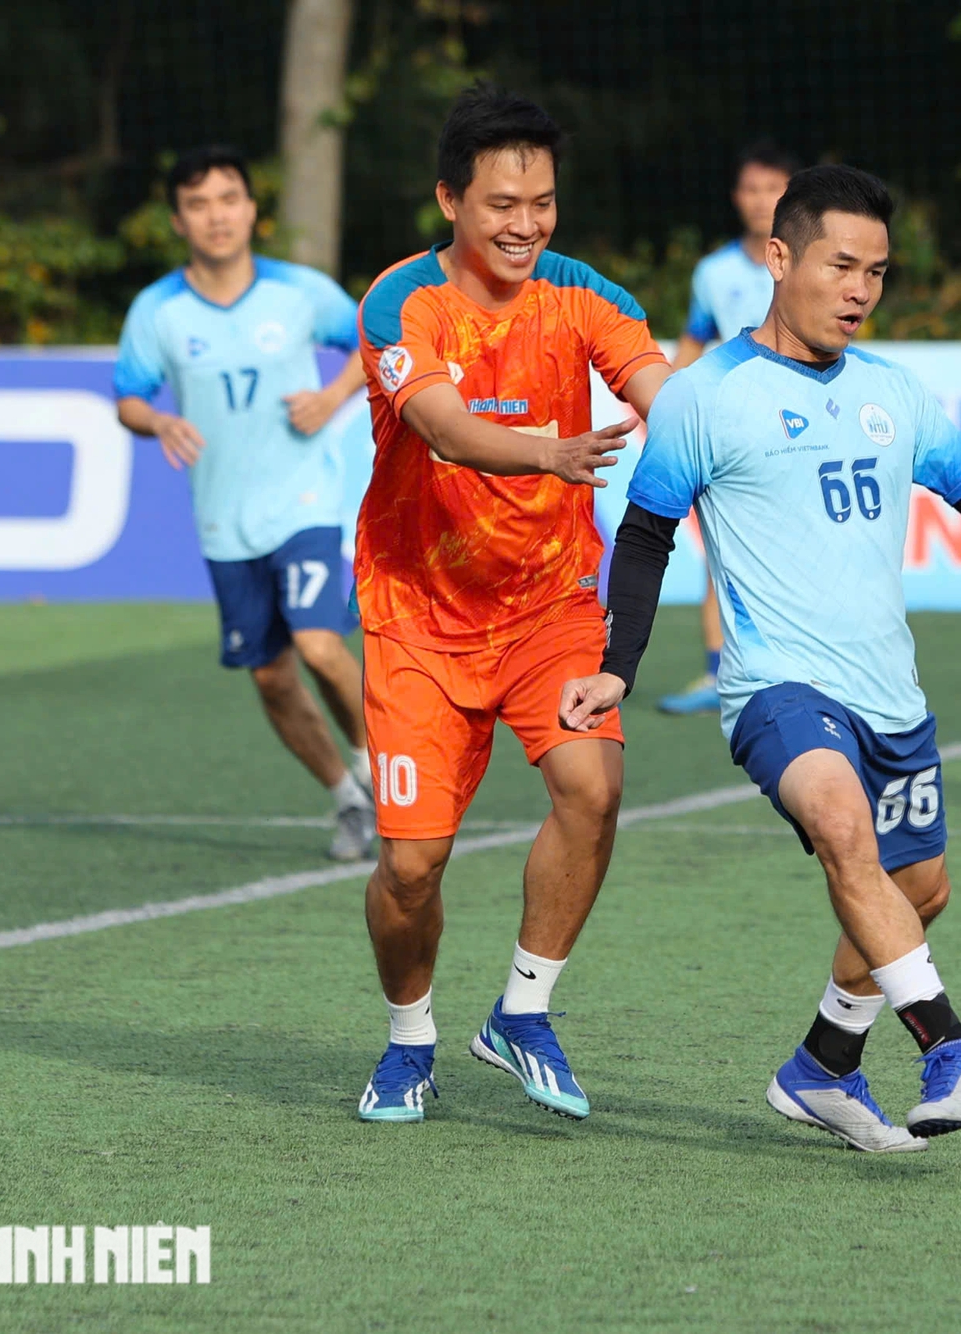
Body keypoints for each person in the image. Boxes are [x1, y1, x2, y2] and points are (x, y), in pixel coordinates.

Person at [560, 165, 961, 1152]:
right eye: (839, 264)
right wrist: (618, 665)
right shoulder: (703, 396)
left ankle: (821, 1063)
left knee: (919, 887)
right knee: (840, 825)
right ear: (780, 260)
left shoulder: (890, 391)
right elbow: (644, 536)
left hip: (889, 693)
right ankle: (948, 1048)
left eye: (877, 272)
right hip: (776, 684)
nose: (858, 288)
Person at [350, 85, 671, 1122]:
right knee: (410, 862)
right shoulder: (402, 302)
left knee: (593, 784)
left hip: (549, 606)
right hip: (416, 614)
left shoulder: (582, 294)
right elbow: (442, 425)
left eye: (540, 200)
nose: (525, 223)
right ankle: (409, 1039)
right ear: (449, 199)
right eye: (500, 202)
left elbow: (652, 380)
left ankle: (522, 1012)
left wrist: (709, 426)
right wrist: (549, 450)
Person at [114, 145, 375, 863]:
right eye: (198, 205)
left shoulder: (299, 291)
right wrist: (158, 420)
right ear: (178, 221)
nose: (216, 216)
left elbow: (374, 340)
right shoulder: (158, 310)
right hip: (224, 522)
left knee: (321, 645)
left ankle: (376, 769)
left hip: (306, 503)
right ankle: (348, 799)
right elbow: (128, 397)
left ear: (253, 210)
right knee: (271, 676)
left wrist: (331, 395)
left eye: (228, 199)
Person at [657, 141, 797, 716]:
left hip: (799, 429)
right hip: (730, 431)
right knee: (723, 550)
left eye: (773, 188)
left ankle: (799, 665)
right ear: (736, 197)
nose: (761, 200)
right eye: (751, 188)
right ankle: (720, 672)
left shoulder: (811, 261)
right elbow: (694, 337)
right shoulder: (712, 272)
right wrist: (664, 404)